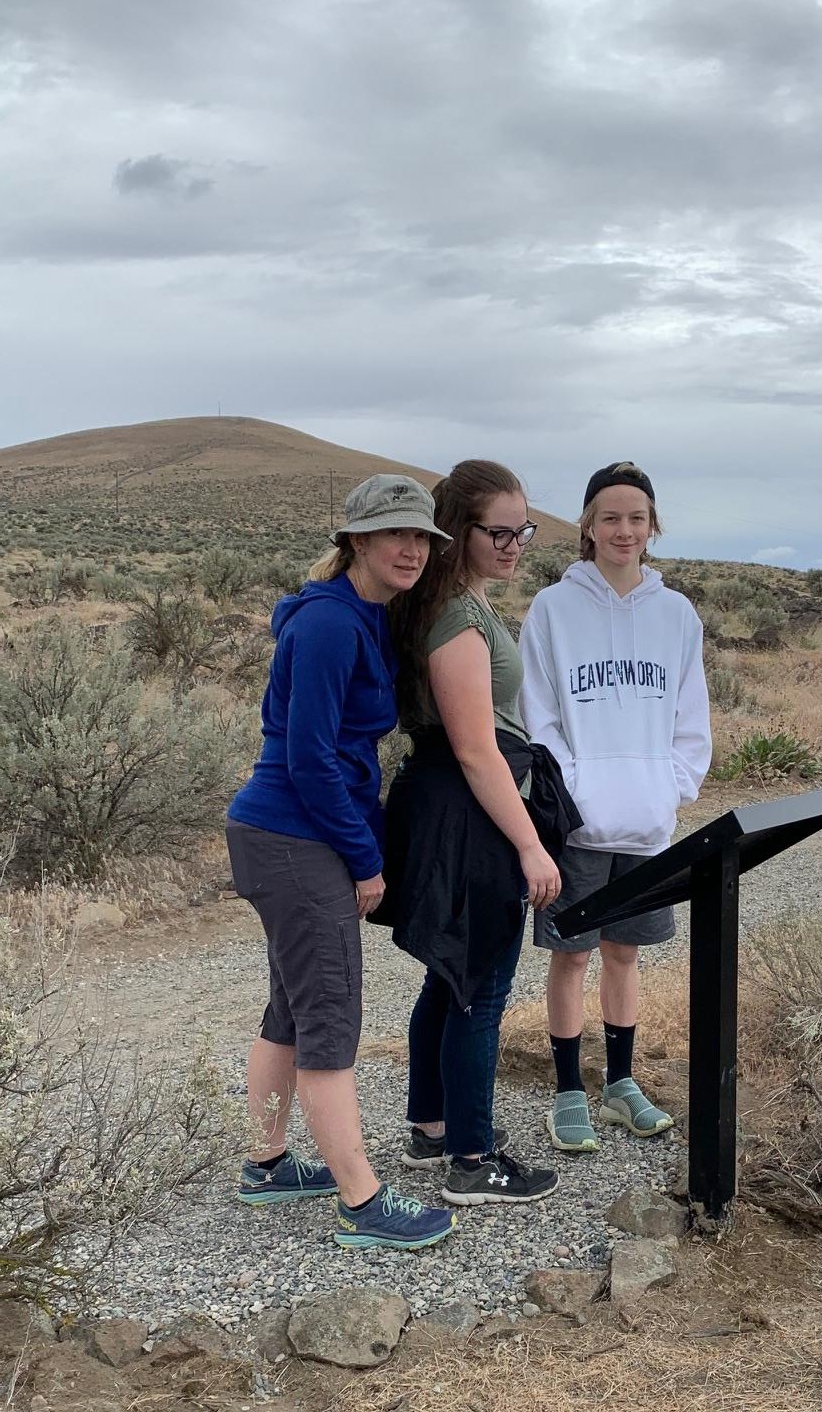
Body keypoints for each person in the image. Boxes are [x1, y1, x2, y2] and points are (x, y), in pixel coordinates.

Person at [225, 474, 458, 1250]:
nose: (411, 549)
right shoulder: (328, 625)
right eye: (395, 534)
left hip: (284, 836)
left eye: (422, 536)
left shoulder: (354, 615)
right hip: (296, 837)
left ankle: (267, 1166)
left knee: (291, 1008)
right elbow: (312, 760)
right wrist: (366, 860)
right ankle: (362, 1200)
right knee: (329, 1014)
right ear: (356, 540)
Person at [383, 460, 580, 1206]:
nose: (514, 544)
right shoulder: (458, 618)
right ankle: (473, 1157)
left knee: (452, 973)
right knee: (483, 985)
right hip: (472, 808)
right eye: (498, 531)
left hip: (452, 802)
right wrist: (530, 845)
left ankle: (432, 1129)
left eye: (523, 530)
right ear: (457, 530)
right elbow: (474, 747)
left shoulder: (450, 600)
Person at [519, 461, 711, 1151]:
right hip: (577, 828)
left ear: (651, 526)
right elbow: (538, 716)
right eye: (610, 517)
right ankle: (569, 1088)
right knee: (571, 957)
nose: (623, 530)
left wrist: (671, 785)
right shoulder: (552, 609)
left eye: (636, 517)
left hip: (648, 824)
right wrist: (575, 792)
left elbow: (691, 716)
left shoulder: (676, 613)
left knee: (625, 954)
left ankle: (620, 1085)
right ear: (588, 527)